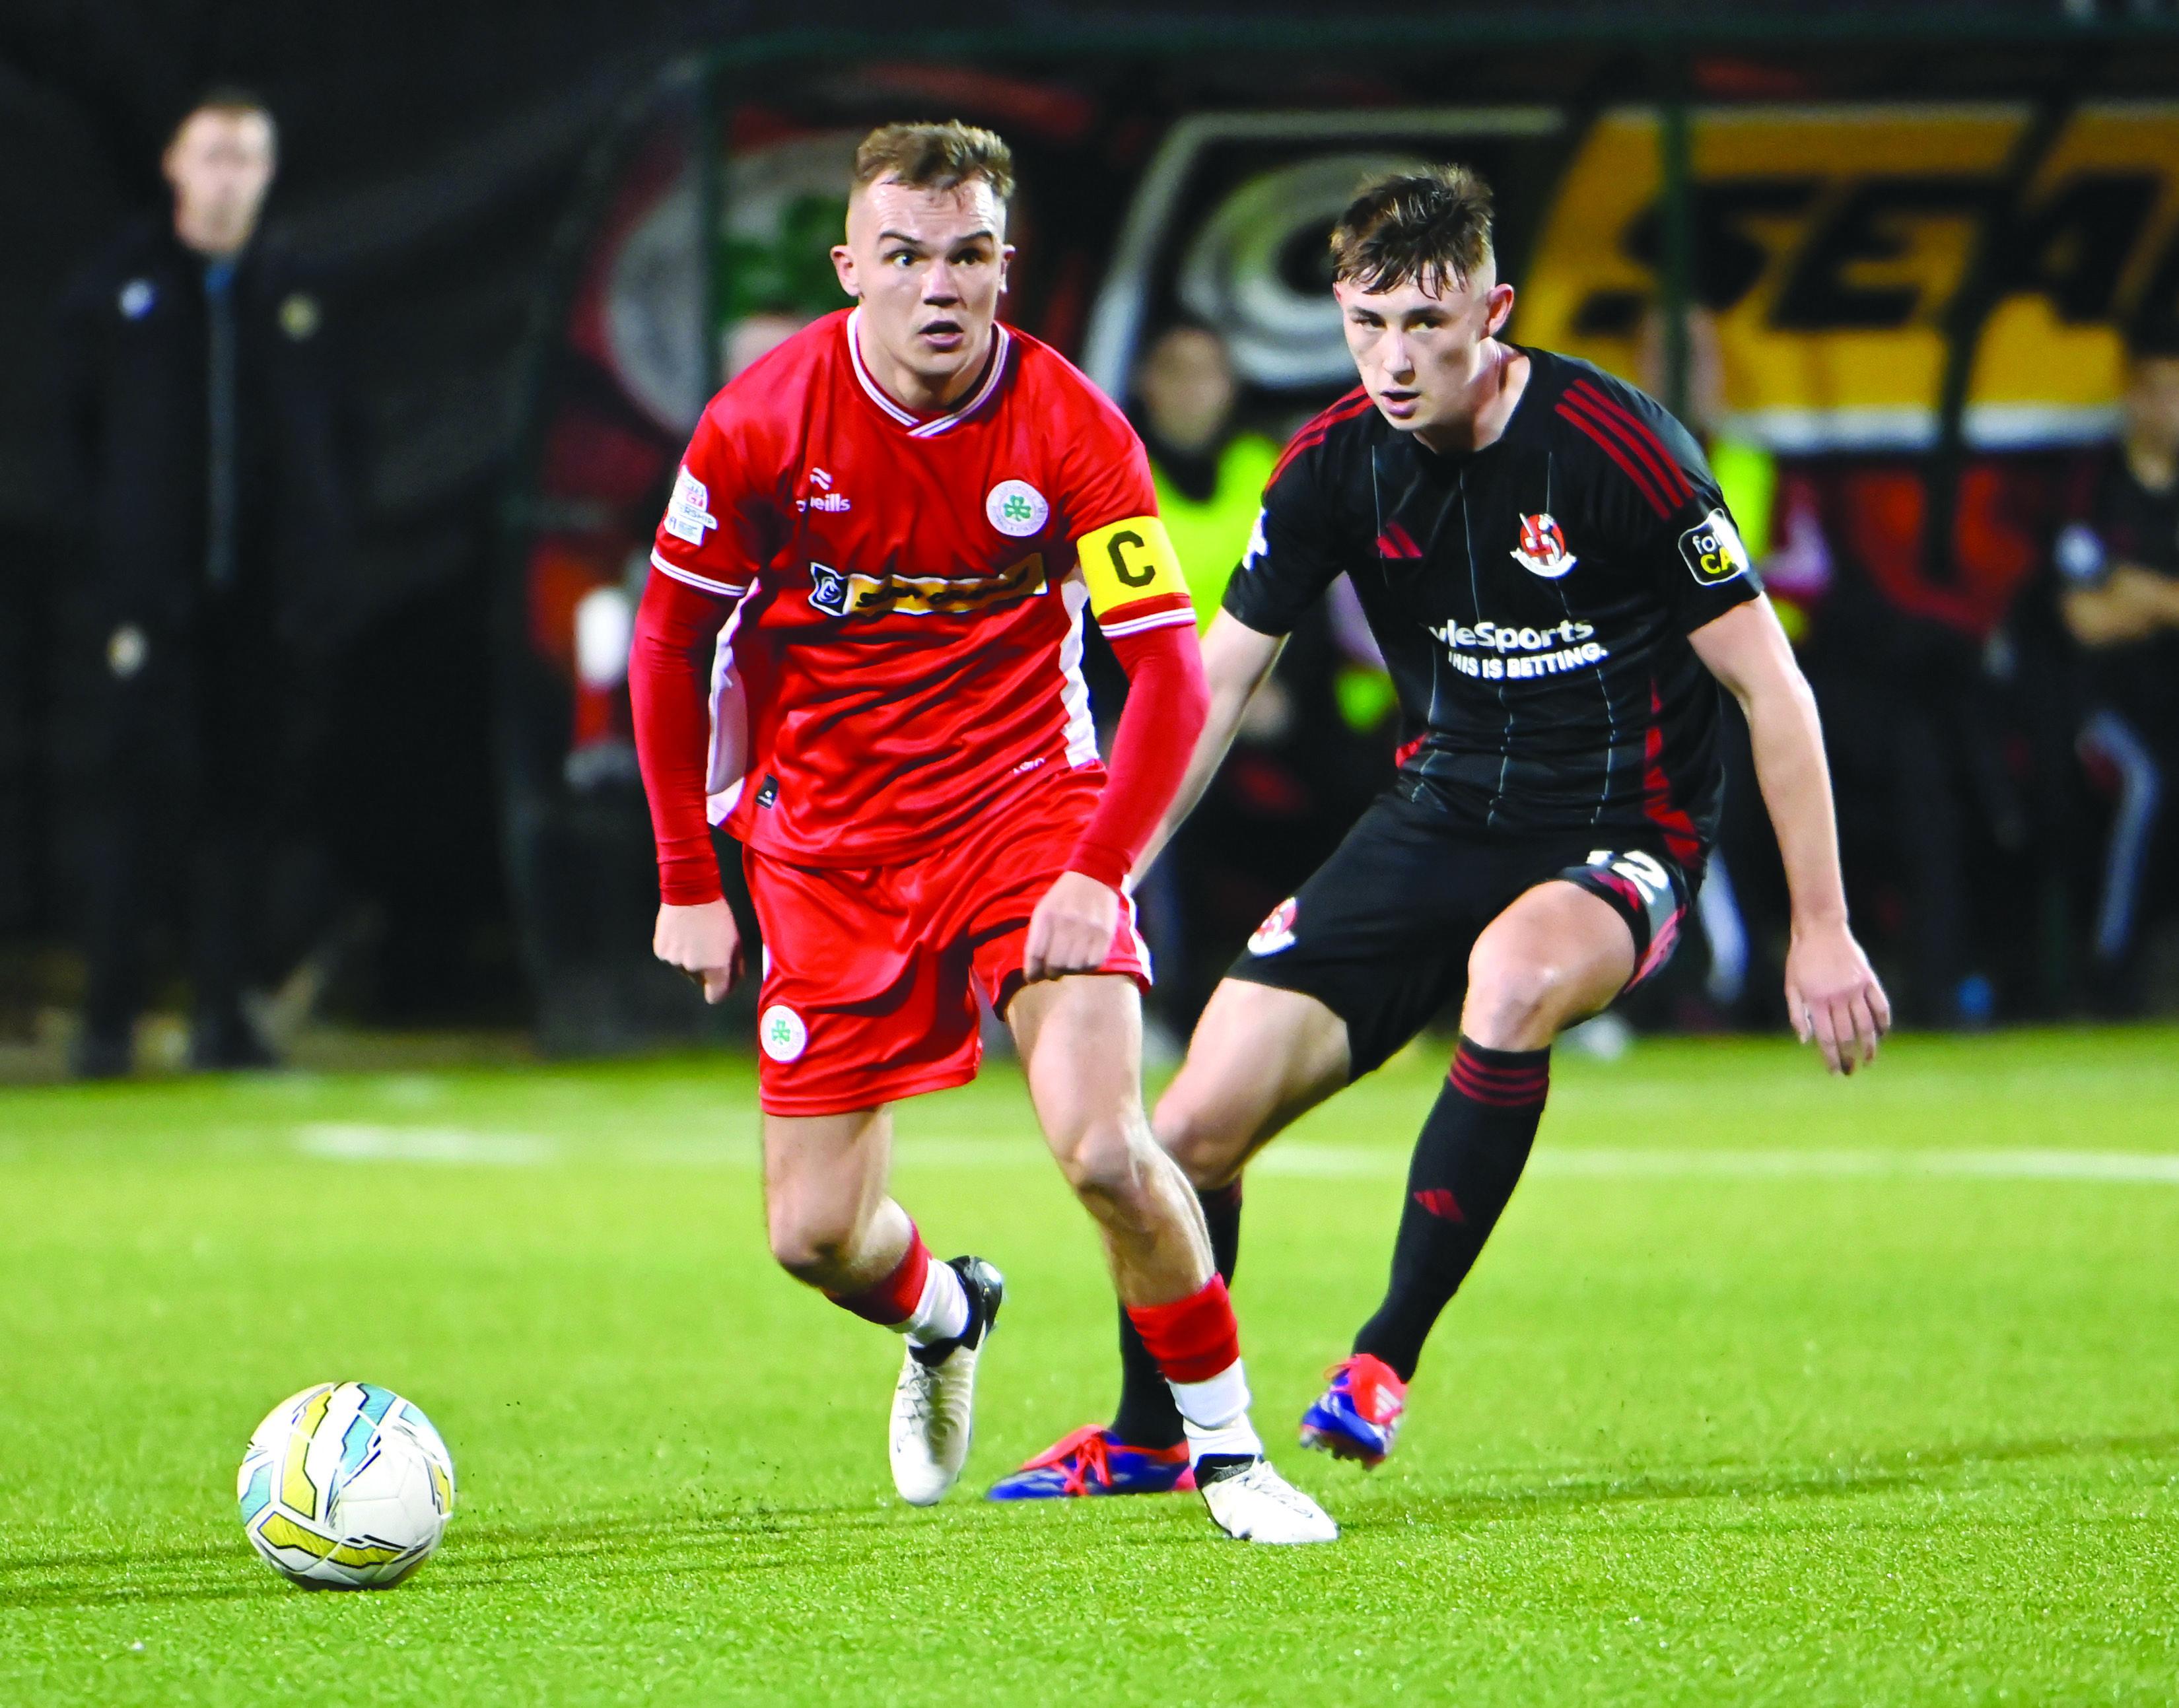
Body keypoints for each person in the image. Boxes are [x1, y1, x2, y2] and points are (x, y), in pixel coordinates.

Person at [988, 164, 1888, 1500]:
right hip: (1438, 811)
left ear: (1496, 311)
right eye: (1368, 324)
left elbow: (1773, 686)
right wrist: (1102, 869)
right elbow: (1218, 682)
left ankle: (1381, 1359)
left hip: (1619, 821)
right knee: (1186, 1135)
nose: (1395, 361)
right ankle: (1150, 1433)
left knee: (1513, 980)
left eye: (1427, 324)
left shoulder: (1617, 445)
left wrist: (1821, 930)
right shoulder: (1333, 464)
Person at [629, 121, 1335, 1544]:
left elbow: (1168, 678)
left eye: (965, 256)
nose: (937, 287)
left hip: (1028, 805)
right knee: (814, 1237)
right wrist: (687, 877)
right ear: (851, 269)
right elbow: (666, 643)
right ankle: (949, 1313)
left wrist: (1098, 868)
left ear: (1005, 269)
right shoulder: (760, 422)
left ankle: (1230, 1454)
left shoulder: (1073, 428)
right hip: (824, 836)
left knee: (1101, 1146)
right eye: (904, 257)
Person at [52, 88, 349, 1077]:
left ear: (269, 174)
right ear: (176, 164)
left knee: (243, 812)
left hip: (257, 610)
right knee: (137, 808)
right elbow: (77, 442)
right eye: (213, 154)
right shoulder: (118, 293)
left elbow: (340, 443)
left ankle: (225, 1016)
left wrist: (314, 567)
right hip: (151, 609)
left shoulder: (297, 293)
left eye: (249, 158)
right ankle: (108, 1019)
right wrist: (119, 574)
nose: (230, 176)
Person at [2054, 332, 2179, 1009]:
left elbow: (2117, 601)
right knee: (2149, 783)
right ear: (2134, 394)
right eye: (2162, 388)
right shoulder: (2095, 482)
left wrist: (2143, 593)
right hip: (2108, 701)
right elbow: (2085, 618)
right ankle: (2112, 969)